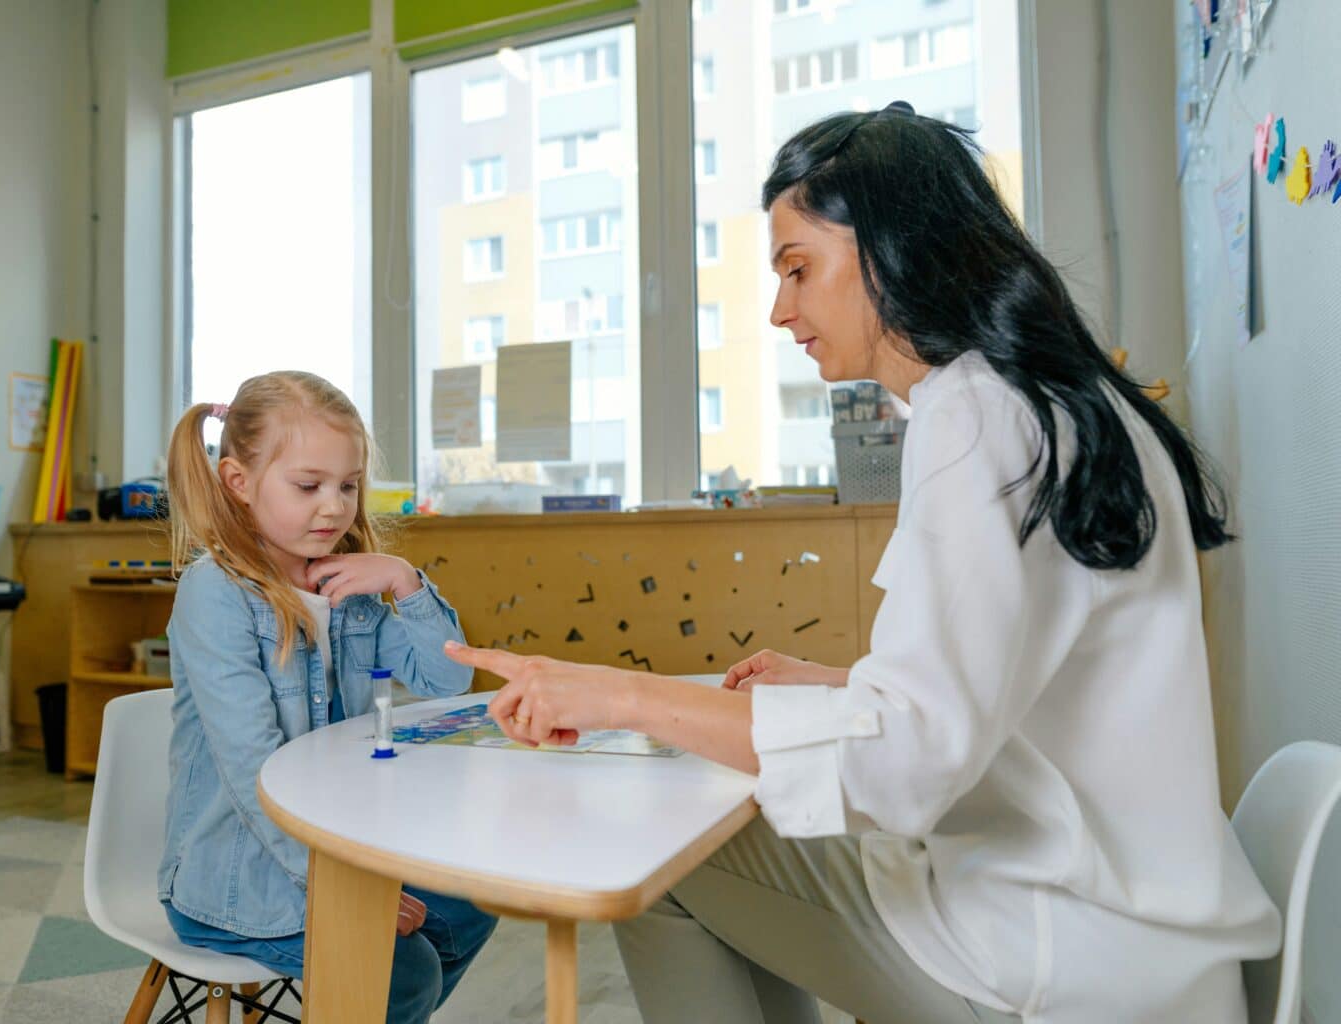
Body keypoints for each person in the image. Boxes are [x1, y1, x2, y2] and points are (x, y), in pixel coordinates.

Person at [443, 106, 1279, 1023]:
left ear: (892, 248)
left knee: (666, 858)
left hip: (1055, 957)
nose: (779, 310)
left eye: (798, 269)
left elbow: (904, 767)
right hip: (1144, 944)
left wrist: (616, 694)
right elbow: (1013, 683)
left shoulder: (973, 418)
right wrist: (843, 684)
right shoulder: (1067, 404)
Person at [160, 370, 495, 1024]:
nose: (335, 507)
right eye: (308, 486)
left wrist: (405, 581)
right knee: (405, 969)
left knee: (470, 905)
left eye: (349, 486)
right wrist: (336, 888)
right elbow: (252, 766)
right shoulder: (215, 593)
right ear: (238, 482)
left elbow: (449, 678)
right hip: (237, 877)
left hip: (340, 847)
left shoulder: (356, 587)